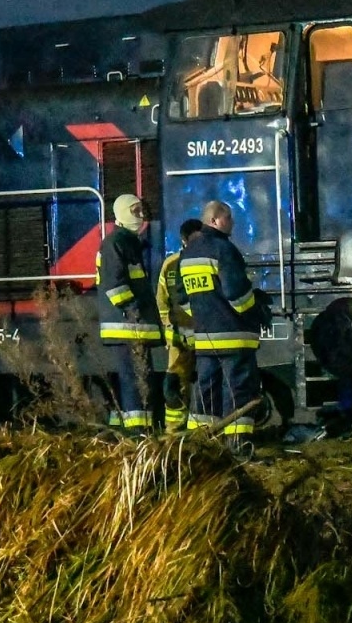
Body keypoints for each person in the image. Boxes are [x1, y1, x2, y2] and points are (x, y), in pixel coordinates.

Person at [180, 200, 266, 456]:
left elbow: (183, 299)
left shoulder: (188, 253)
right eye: (228, 218)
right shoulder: (224, 249)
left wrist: (203, 316)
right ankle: (239, 453)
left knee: (205, 396)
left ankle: (198, 451)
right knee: (237, 393)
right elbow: (236, 294)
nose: (233, 223)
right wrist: (256, 308)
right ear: (215, 220)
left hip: (205, 340)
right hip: (234, 338)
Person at [96, 193, 162, 435]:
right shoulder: (116, 243)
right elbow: (115, 286)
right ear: (123, 212)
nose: (141, 215)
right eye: (135, 211)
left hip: (133, 327)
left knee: (139, 379)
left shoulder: (127, 241)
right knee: (134, 381)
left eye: (141, 210)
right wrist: (133, 312)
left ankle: (141, 430)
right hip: (127, 327)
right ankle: (137, 435)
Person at [156, 218, 204, 432]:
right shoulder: (171, 264)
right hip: (181, 338)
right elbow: (162, 301)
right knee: (174, 384)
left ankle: (199, 429)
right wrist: (169, 330)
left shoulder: (203, 260)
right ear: (184, 240)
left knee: (205, 382)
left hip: (204, 335)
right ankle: (174, 431)